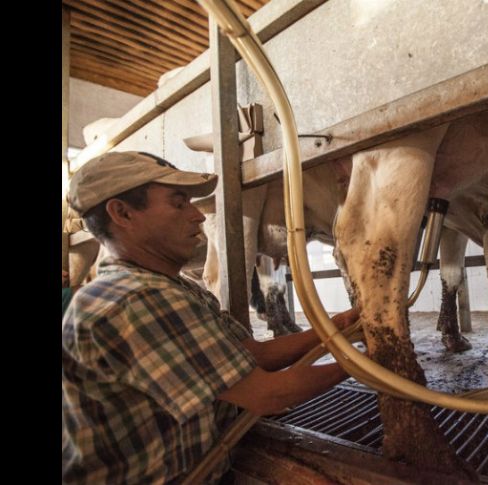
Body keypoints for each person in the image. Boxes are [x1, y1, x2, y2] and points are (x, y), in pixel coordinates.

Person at [62, 151, 359, 484]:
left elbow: (251, 354)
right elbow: (268, 394)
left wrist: (340, 326)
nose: (197, 216)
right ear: (123, 213)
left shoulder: (173, 287)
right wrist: (370, 361)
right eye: (178, 203)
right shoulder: (134, 298)